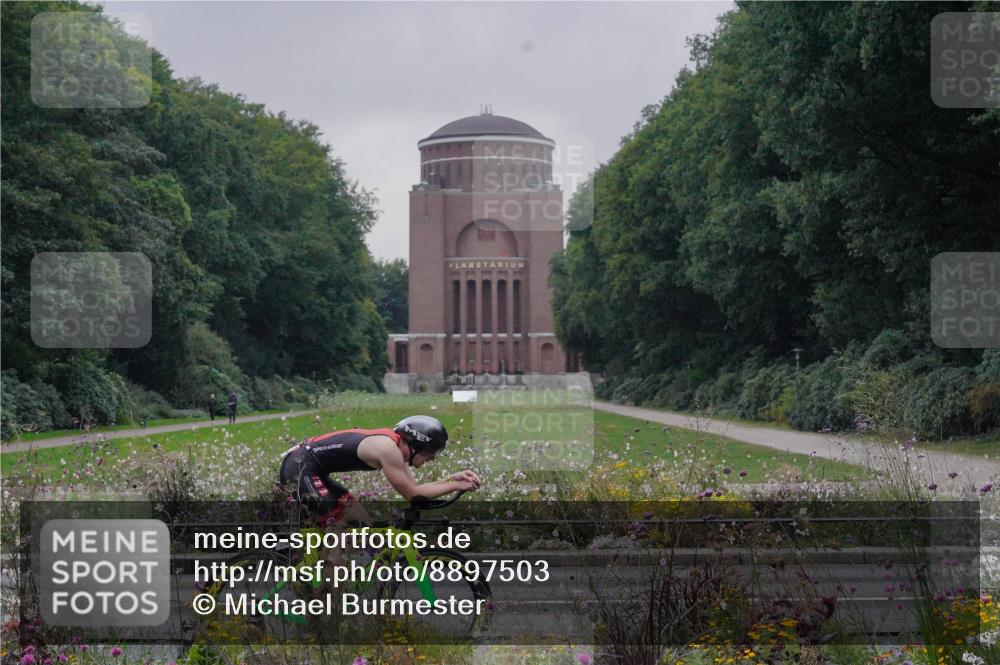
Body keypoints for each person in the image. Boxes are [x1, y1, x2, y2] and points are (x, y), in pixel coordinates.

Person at [277, 415, 480, 527]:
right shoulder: (388, 449)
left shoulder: (396, 448)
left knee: (363, 523)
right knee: (340, 534)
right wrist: (455, 485)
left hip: (311, 469)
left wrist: (451, 479)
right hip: (299, 467)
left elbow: (416, 490)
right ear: (415, 445)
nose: (431, 459)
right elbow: (413, 494)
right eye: (430, 454)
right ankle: (329, 601)